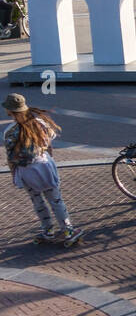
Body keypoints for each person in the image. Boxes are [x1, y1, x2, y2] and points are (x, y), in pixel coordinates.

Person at [4, 93, 81, 245]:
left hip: (26, 172)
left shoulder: (10, 131)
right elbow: (49, 143)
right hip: (44, 166)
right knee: (56, 200)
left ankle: (48, 230)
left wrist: (14, 175)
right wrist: (50, 160)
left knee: (37, 201)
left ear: (9, 111)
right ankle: (67, 230)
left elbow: (11, 157)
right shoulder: (39, 122)